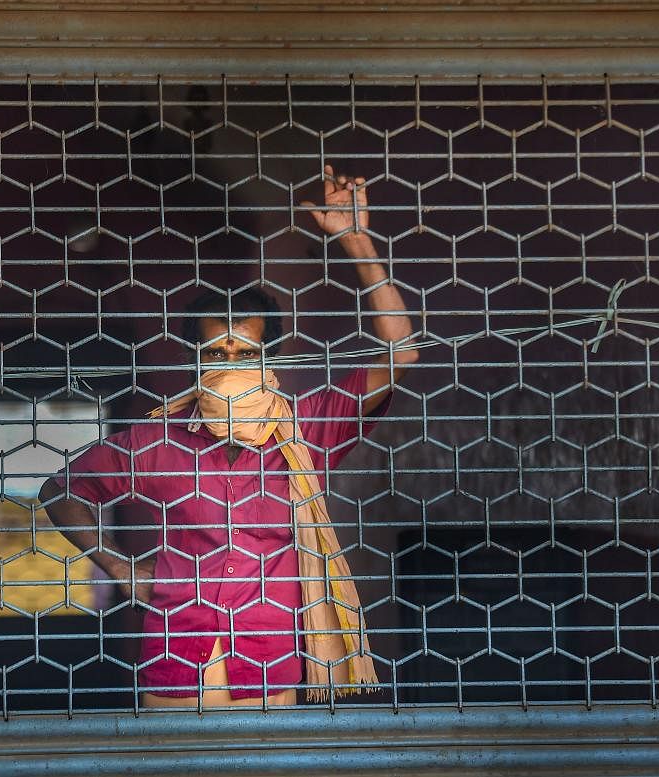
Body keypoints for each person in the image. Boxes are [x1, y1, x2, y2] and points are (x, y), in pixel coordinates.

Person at [39, 166, 417, 707]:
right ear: (196, 361)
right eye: (217, 354)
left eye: (248, 354)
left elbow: (401, 353)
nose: (233, 365)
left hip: (269, 667)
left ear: (272, 358)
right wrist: (118, 564)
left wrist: (355, 239)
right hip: (173, 663)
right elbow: (61, 490)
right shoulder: (155, 441)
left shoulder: (311, 425)